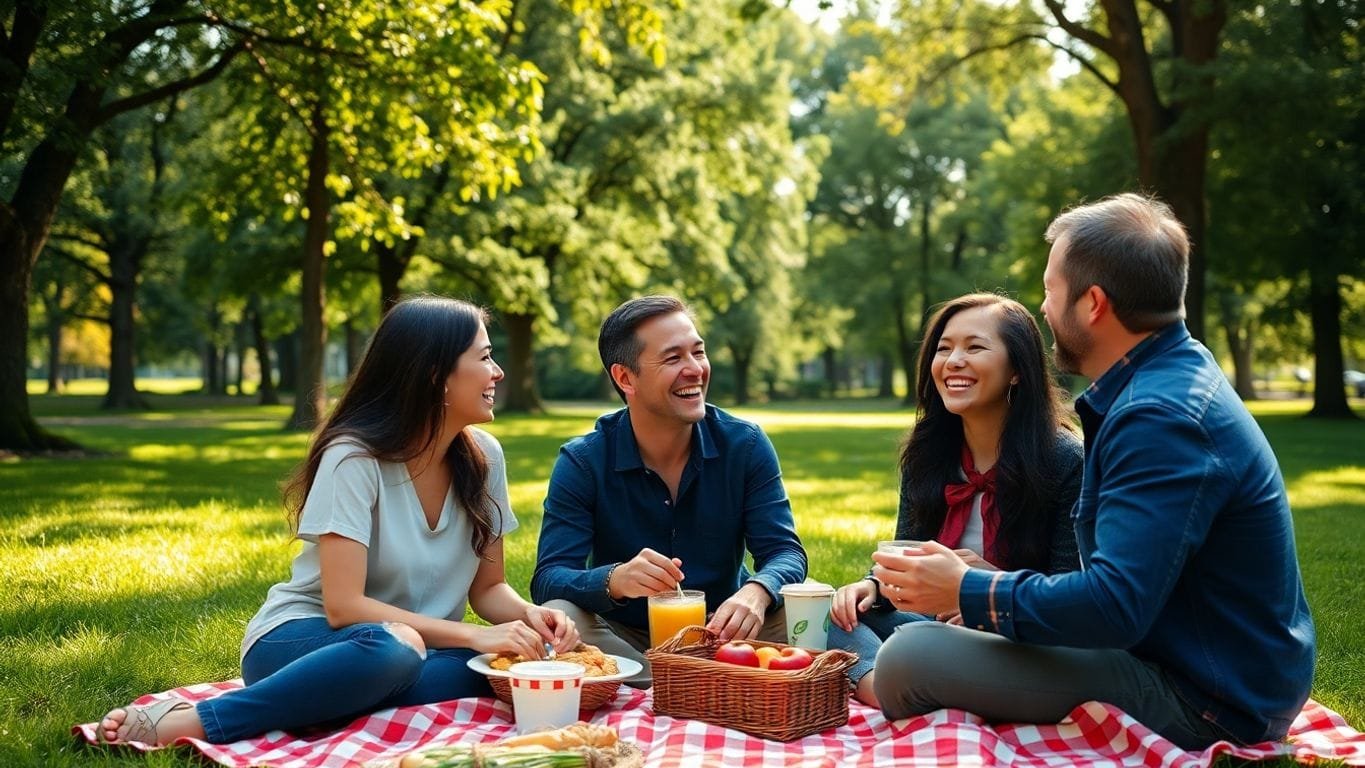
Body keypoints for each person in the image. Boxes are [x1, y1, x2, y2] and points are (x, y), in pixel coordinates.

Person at [871, 194, 1315, 750]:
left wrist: (969, 589)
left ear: (1094, 303)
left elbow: (1114, 607)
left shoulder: (1161, 417)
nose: (1045, 307)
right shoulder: (1165, 380)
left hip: (1206, 699)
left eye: (1051, 290)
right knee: (895, 636)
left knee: (912, 658)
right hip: (1190, 664)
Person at [98, 296, 579, 746]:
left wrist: (530, 619)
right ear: (436, 374)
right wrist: (475, 635)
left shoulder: (485, 459)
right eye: (484, 357)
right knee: (397, 650)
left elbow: (487, 589)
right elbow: (343, 607)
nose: (497, 372)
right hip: (303, 641)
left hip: (416, 652)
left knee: (499, 672)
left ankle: (323, 701)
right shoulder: (354, 457)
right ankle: (205, 720)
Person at [531, 295, 808, 685]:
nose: (695, 369)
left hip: (727, 631)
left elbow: (785, 552)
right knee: (562, 613)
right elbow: (548, 579)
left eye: (698, 352)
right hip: (623, 638)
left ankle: (668, 685)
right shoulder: (583, 461)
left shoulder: (744, 445)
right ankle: (688, 683)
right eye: (673, 358)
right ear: (626, 378)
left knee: (814, 604)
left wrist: (756, 592)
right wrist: (614, 580)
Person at [827, 293, 1083, 707]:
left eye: (974, 346)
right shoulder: (929, 455)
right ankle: (884, 688)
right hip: (930, 626)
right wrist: (872, 586)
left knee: (916, 646)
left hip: (1013, 635)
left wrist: (986, 589)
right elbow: (904, 561)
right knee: (832, 612)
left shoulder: (1063, 460)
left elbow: (1070, 592)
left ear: (1017, 369)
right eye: (944, 348)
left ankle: (903, 686)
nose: (954, 361)